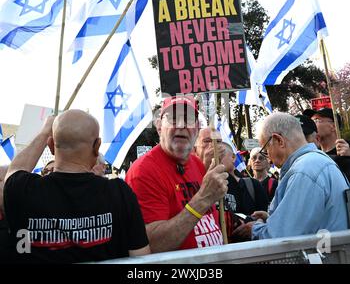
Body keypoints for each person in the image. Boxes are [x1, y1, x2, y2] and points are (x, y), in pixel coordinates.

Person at [3, 110, 150, 263]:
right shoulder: (120, 193)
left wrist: (45, 131)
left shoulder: (23, 191)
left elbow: (14, 170)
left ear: (51, 145)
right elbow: (141, 259)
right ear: (97, 146)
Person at [126, 96, 228, 253]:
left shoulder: (197, 164)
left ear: (197, 128)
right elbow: (151, 245)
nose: (181, 125)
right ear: (159, 127)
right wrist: (204, 199)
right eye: (173, 118)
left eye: (188, 119)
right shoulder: (144, 171)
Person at [234, 112, 349, 240]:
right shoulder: (316, 162)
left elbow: (284, 237)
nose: (269, 159)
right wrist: (273, 218)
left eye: (265, 151)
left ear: (279, 140)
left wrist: (254, 230)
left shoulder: (304, 171)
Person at [220, 142, 268, 242]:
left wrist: (255, 225)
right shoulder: (208, 189)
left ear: (233, 157)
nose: (215, 158)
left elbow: (265, 216)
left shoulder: (253, 185)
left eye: (220, 153)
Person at [306, 108, 350, 181]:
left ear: (333, 126)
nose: (312, 125)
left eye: (316, 120)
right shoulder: (313, 154)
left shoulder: (347, 148)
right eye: (311, 121)